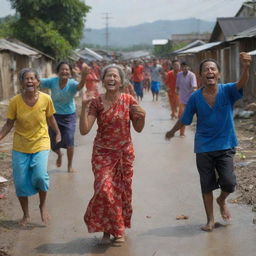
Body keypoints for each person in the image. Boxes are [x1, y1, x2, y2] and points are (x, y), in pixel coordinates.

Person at [165, 52, 252, 232]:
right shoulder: (196, 97)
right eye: (206, 70)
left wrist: (246, 68)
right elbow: (185, 118)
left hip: (226, 144)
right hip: (204, 146)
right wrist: (172, 131)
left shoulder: (227, 90)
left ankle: (222, 200)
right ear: (201, 75)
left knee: (229, 183)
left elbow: (242, 83)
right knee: (206, 184)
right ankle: (210, 220)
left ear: (218, 74)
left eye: (213, 69)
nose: (209, 71)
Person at [80, 64, 146, 244]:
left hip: (124, 153)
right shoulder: (97, 102)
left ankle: (112, 229)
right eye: (108, 76)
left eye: (115, 76)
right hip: (102, 153)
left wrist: (143, 116)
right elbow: (85, 130)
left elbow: (138, 129)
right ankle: (117, 230)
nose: (111, 79)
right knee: (104, 189)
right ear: (103, 80)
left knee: (121, 192)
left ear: (121, 81)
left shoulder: (129, 100)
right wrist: (84, 107)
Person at [0, 68, 61, 226]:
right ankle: (26, 215)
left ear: (38, 82)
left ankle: (42, 205)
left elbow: (51, 118)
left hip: (41, 142)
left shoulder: (46, 99)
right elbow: (8, 124)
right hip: (20, 145)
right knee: (20, 183)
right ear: (21, 83)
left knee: (40, 176)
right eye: (26, 79)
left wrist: (57, 132)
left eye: (32, 78)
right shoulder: (15, 102)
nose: (29, 81)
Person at [40, 61, 88, 172]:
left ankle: (69, 166)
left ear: (70, 72)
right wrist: (29, 78)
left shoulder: (72, 83)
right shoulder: (53, 81)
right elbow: (38, 82)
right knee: (53, 143)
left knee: (70, 141)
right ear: (58, 72)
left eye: (67, 69)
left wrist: (84, 76)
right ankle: (59, 155)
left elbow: (80, 86)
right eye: (62, 69)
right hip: (54, 116)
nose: (64, 71)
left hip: (69, 116)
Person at [176, 62, 197, 136]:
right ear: (181, 68)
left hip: (190, 99)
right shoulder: (179, 75)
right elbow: (177, 86)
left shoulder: (192, 75)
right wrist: (177, 91)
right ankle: (182, 133)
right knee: (181, 116)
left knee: (194, 116)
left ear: (188, 67)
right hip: (182, 99)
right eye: (183, 67)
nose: (185, 68)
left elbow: (194, 87)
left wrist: (195, 94)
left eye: (186, 67)